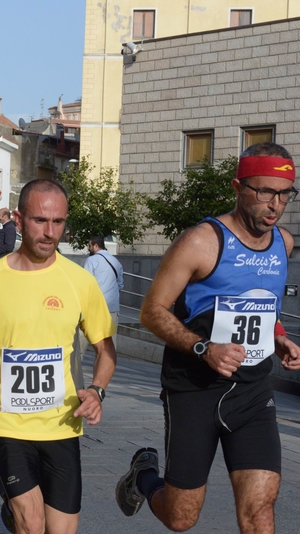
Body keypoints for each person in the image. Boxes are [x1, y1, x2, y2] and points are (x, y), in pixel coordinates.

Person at [116, 142, 300, 534]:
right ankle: (143, 476)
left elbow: (265, 305)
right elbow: (152, 311)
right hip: (194, 390)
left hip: (252, 393)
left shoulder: (283, 244)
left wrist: (279, 335)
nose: (275, 204)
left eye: (285, 193)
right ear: (237, 187)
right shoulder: (202, 241)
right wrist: (203, 348)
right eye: (264, 191)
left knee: (260, 511)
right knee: (180, 518)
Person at [0, 179, 117, 534]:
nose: (49, 232)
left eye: (58, 222)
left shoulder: (79, 281)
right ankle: (17, 502)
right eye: (40, 221)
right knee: (32, 522)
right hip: (6, 419)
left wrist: (98, 390)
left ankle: (12, 500)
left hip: (61, 422)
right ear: (18, 219)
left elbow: (106, 350)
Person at [80, 236, 124, 355]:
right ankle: (108, 367)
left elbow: (85, 283)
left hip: (94, 307)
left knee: (81, 341)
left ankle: (75, 367)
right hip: (112, 307)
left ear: (95, 246)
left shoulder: (92, 260)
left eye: (89, 246)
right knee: (110, 344)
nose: (88, 248)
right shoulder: (116, 262)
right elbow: (120, 285)